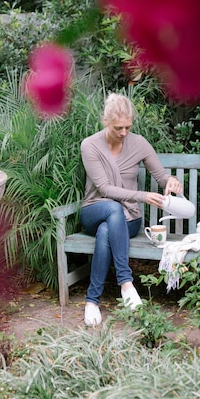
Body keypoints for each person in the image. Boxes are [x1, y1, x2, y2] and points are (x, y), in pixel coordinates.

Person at [80, 93, 183, 326]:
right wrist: (143, 196)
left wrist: (171, 181)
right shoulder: (90, 146)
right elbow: (105, 189)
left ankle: (92, 301)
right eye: (118, 128)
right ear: (106, 121)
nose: (124, 133)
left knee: (108, 229)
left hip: (128, 219)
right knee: (111, 210)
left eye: (128, 127)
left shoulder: (139, 143)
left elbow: (161, 175)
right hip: (94, 211)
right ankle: (126, 282)